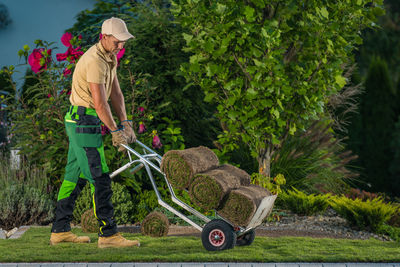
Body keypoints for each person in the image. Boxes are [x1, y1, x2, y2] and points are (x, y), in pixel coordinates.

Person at [50, 17, 139, 248]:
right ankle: (108, 235)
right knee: (99, 177)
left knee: (74, 176)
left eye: (124, 41)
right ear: (105, 37)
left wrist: (125, 122)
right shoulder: (94, 61)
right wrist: (115, 131)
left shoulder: (109, 58)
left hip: (84, 119)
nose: (122, 46)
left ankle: (60, 230)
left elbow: (116, 94)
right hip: (83, 120)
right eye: (118, 41)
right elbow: (100, 104)